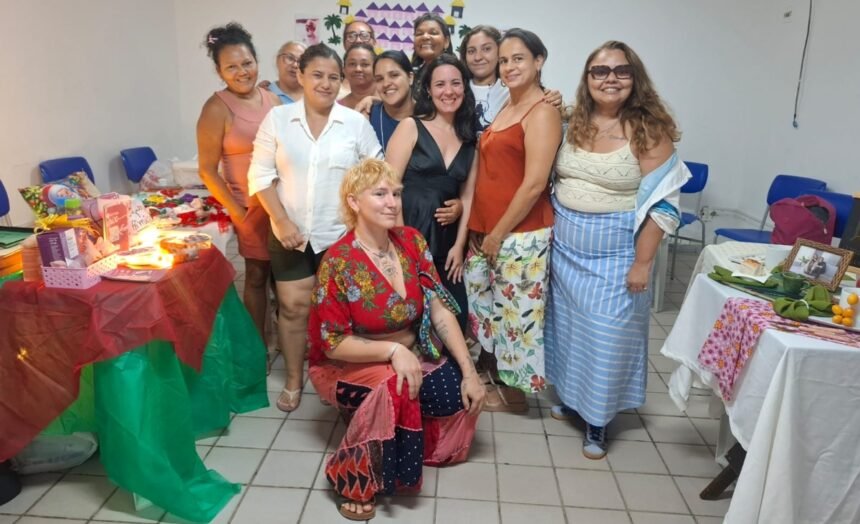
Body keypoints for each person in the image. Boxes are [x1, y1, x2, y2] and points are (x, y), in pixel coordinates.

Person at [307, 158, 485, 521]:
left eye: (396, 193)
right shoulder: (338, 261)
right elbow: (333, 343)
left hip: (410, 352)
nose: (392, 202)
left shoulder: (411, 242)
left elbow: (438, 310)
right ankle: (355, 479)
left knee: (455, 394)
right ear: (354, 202)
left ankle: (397, 432)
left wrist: (469, 370)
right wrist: (392, 352)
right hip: (346, 363)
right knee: (396, 386)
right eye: (380, 194)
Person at [545, 40, 687, 459]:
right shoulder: (574, 121)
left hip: (617, 256)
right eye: (599, 71)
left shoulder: (649, 130)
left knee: (607, 337)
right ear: (587, 80)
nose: (610, 79)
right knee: (571, 333)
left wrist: (643, 263)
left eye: (620, 71)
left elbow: (663, 204)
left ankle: (598, 421)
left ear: (634, 77)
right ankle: (572, 399)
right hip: (566, 253)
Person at [247, 43, 383, 412]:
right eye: (317, 75)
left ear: (341, 82)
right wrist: (279, 218)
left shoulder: (355, 122)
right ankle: (294, 378)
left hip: (340, 236)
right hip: (288, 231)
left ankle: (342, 376)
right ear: (302, 76)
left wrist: (362, 222)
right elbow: (259, 174)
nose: (325, 83)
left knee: (343, 312)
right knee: (292, 307)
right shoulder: (278, 119)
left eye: (333, 77)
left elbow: (376, 174)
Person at [464, 28, 562, 410]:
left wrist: (498, 233)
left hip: (521, 234)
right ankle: (496, 376)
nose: (508, 66)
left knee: (518, 319)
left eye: (518, 58)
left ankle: (516, 396)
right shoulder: (508, 103)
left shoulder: (543, 110)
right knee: (492, 311)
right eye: (504, 60)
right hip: (490, 231)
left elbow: (535, 181)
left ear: (539, 61)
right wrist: (482, 229)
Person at [196, 22, 281, 342]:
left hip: (281, 205)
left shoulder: (272, 100)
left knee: (283, 279)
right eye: (231, 67)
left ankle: (283, 339)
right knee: (257, 276)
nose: (242, 72)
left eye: (247, 63)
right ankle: (255, 347)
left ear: (257, 61)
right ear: (220, 72)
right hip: (250, 207)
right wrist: (237, 214)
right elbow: (207, 169)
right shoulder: (216, 108)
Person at [385, 54, 477, 334]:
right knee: (410, 320)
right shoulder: (411, 127)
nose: (448, 91)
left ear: (464, 87)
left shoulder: (471, 138)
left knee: (455, 320)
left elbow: (468, 196)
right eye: (440, 84)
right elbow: (389, 188)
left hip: (447, 246)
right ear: (428, 89)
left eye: (455, 83)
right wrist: (402, 249)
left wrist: (459, 247)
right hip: (408, 240)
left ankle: (448, 376)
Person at [459, 25, 564, 131]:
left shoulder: (513, 88)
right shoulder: (457, 88)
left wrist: (551, 97)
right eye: (471, 51)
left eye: (486, 49)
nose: (478, 57)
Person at [369, 50, 414, 152]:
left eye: (394, 75)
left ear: (410, 78)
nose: (386, 84)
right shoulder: (368, 116)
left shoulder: (428, 116)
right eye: (379, 79)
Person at [410, 13, 454, 95]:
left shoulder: (455, 73)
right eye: (419, 34)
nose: (425, 37)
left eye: (433, 33)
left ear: (446, 42)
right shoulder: (413, 73)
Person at [339, 44, 377, 109]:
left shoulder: (389, 101)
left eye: (365, 64)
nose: (358, 69)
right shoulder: (337, 107)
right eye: (352, 64)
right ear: (344, 70)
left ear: (376, 69)